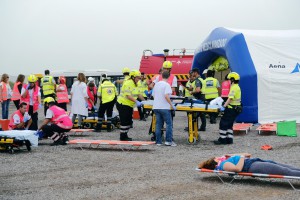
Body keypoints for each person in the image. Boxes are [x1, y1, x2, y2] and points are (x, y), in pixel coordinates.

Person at [198, 153, 300, 177]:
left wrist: (239, 155)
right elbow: (237, 169)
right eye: (216, 158)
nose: (218, 157)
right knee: (285, 171)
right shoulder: (224, 165)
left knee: (286, 166)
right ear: (215, 162)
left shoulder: (225, 159)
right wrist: (242, 157)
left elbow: (243, 155)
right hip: (252, 166)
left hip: (253, 162)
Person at [116, 70, 145, 141]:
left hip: (129, 105)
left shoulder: (136, 84)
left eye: (139, 78)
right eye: (138, 78)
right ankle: (122, 137)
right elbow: (128, 96)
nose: (139, 79)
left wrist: (145, 101)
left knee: (129, 121)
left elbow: (139, 94)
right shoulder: (128, 83)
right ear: (133, 77)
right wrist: (136, 101)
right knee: (124, 121)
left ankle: (125, 135)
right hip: (123, 104)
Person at [214, 72, 242, 145]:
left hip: (231, 109)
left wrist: (223, 106)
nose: (229, 81)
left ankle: (222, 140)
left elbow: (230, 98)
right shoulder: (237, 86)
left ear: (232, 80)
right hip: (235, 109)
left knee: (223, 124)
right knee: (229, 125)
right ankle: (229, 139)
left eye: (230, 80)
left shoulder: (234, 88)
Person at [152, 71, 177, 147]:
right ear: (169, 77)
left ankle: (158, 141)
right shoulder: (167, 85)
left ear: (161, 76)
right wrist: (171, 105)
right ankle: (168, 141)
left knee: (158, 124)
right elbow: (166, 96)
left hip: (156, 107)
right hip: (164, 108)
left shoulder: (156, 85)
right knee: (169, 124)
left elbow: (153, 95)